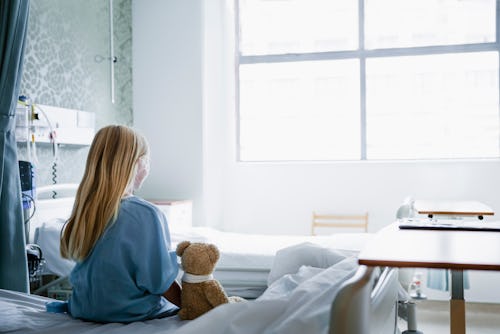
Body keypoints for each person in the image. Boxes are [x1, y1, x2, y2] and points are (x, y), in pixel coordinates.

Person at [60, 125, 181, 323]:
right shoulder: (146, 214)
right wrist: (194, 308)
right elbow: (161, 282)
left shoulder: (86, 209)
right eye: (147, 160)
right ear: (138, 163)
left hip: (83, 310)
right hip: (133, 314)